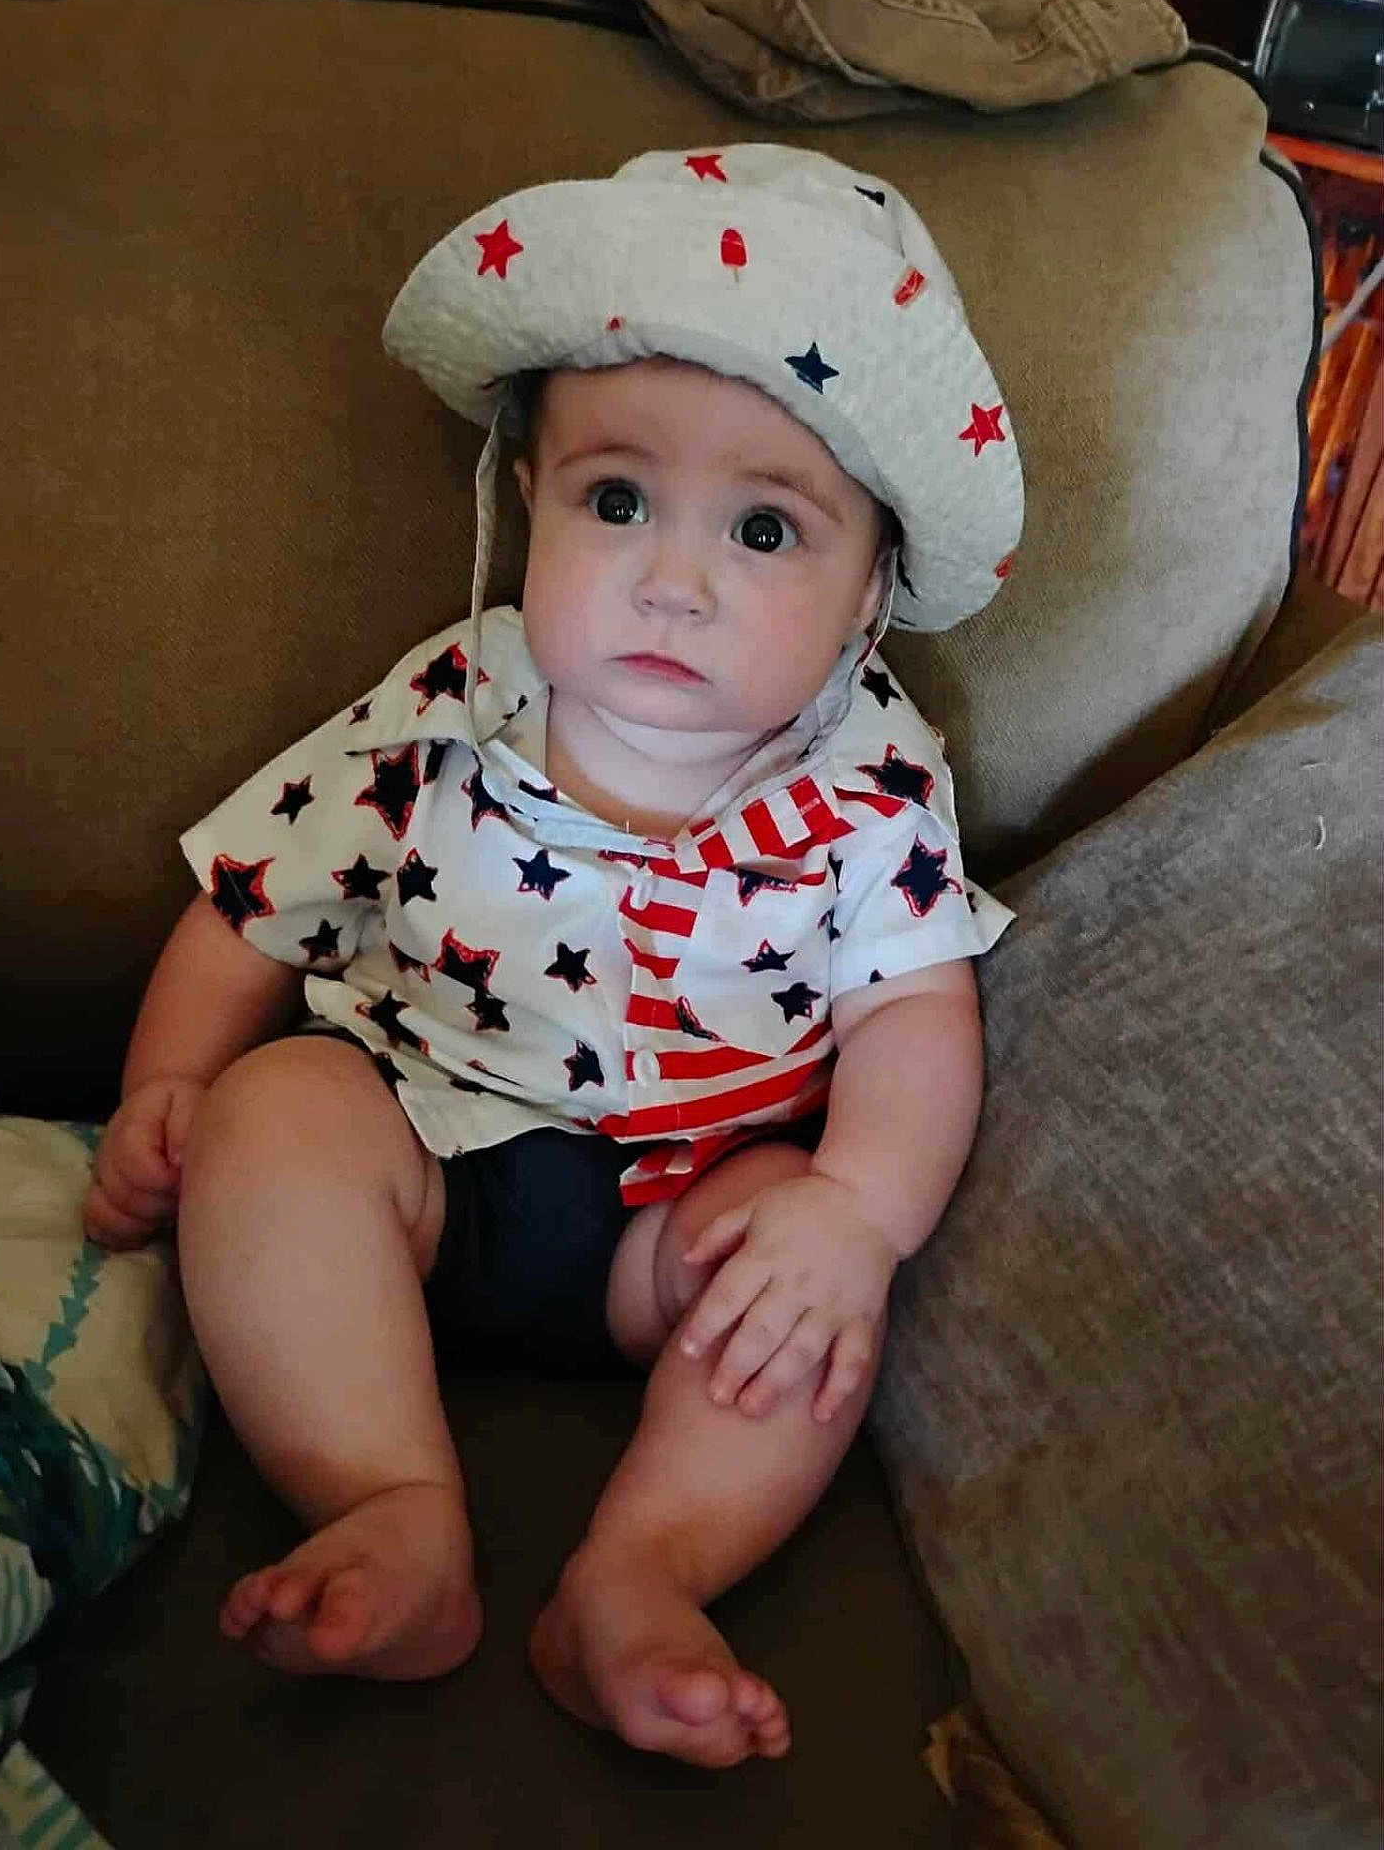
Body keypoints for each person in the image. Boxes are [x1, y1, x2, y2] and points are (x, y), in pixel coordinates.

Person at [81, 144, 1023, 1770]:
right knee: (276, 1112)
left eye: (764, 531)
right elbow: (253, 894)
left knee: (795, 1300)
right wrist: (166, 1081)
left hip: (676, 1220)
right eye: (615, 501)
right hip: (417, 1162)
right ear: (529, 496)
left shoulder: (871, 779)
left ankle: (640, 1575)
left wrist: (854, 1217)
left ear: (874, 584)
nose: (672, 579)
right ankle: (391, 1507)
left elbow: (917, 1015)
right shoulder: (454, 700)